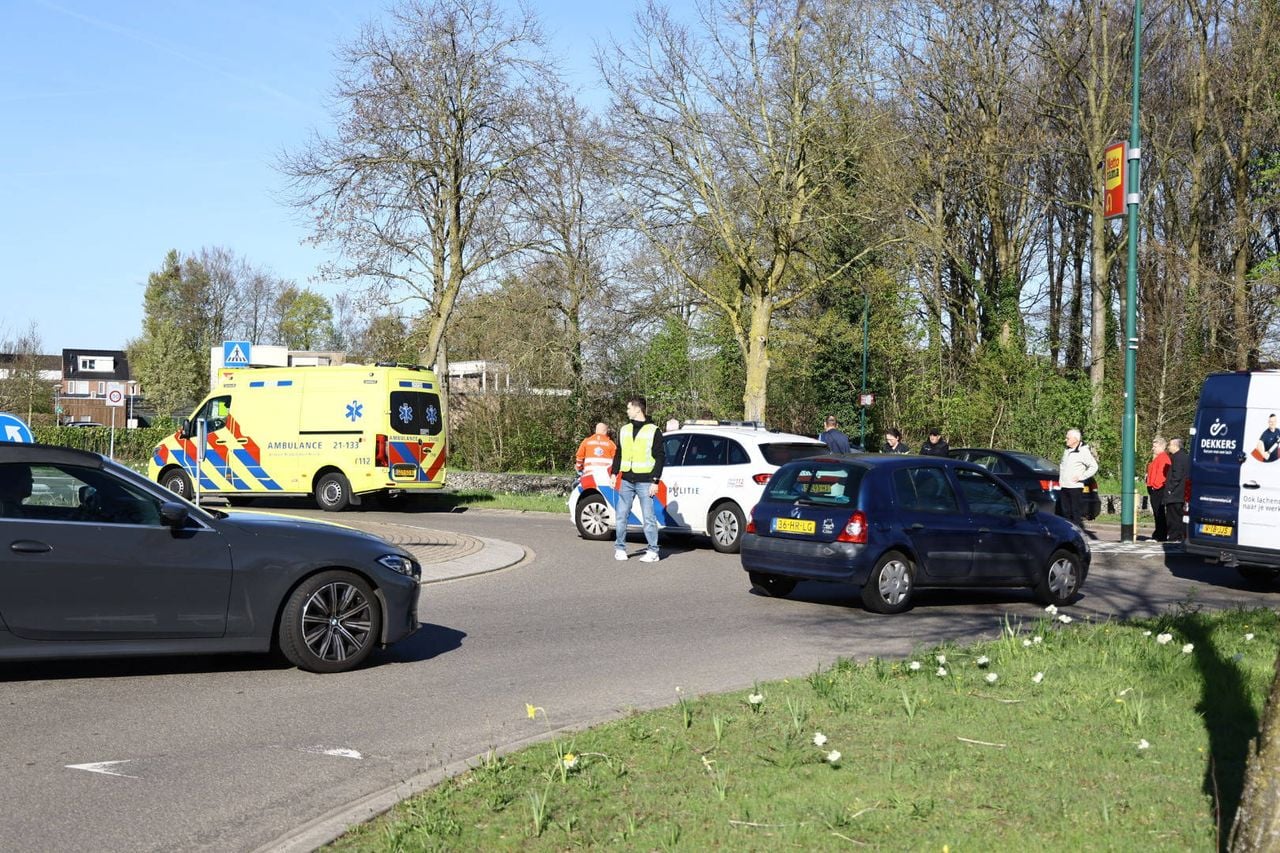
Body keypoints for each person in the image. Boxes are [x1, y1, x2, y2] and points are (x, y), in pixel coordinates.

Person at [611, 396, 665, 563]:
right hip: (626, 479)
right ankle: (620, 548)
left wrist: (655, 481)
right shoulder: (625, 429)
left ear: (637, 409)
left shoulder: (653, 430)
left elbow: (660, 457)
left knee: (648, 517)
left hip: (645, 481)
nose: (627, 411)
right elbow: (619, 453)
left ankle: (653, 551)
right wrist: (614, 473)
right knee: (621, 515)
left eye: (629, 408)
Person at [1058, 428, 1099, 528]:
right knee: (1065, 512)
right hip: (1064, 486)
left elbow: (1094, 466)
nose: (1065, 440)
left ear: (1075, 439)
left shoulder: (1083, 451)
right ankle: (1067, 532)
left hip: (1075, 487)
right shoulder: (1067, 450)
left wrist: (1081, 477)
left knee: (1075, 513)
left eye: (1068, 438)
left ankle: (1077, 533)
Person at [1163, 437, 1189, 543]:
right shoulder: (1186, 457)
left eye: (1169, 445)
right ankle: (1180, 536)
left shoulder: (1177, 458)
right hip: (1182, 493)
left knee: (1173, 517)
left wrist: (1170, 489)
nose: (1168, 447)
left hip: (1175, 494)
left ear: (1175, 445)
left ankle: (1174, 537)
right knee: (1180, 516)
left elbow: (1176, 475)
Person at [1145, 437, 1171, 542]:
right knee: (1157, 513)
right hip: (1155, 488)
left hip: (1158, 489)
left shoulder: (1163, 458)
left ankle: (1160, 535)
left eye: (1155, 446)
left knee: (1159, 513)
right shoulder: (1159, 458)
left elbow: (1161, 475)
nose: (1153, 448)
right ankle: (1158, 533)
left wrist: (1154, 486)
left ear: (1161, 446)